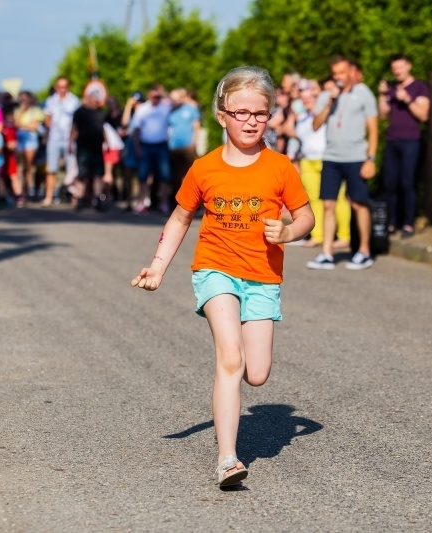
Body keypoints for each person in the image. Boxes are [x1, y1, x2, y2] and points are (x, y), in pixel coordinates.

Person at [130, 66, 314, 487]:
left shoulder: (280, 168)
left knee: (257, 372)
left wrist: (287, 231)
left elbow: (307, 217)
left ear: (270, 116)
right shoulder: (204, 169)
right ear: (221, 113)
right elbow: (180, 218)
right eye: (241, 112)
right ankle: (228, 459)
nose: (250, 121)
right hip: (215, 270)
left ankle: (231, 434)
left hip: (263, 277)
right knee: (230, 358)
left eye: (260, 114)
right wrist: (158, 266)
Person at [306, 55, 378, 270]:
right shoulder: (327, 96)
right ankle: (327, 253)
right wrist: (329, 103)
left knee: (358, 203)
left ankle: (364, 251)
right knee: (328, 203)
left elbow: (373, 128)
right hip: (331, 157)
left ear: (351, 72)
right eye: (335, 73)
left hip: (356, 157)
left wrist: (371, 159)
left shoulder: (363, 93)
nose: (338, 77)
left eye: (342, 72)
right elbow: (316, 124)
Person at [283, 79, 351, 248]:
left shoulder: (327, 113)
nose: (307, 101)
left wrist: (316, 90)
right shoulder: (303, 117)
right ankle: (318, 235)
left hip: (328, 158)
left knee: (338, 198)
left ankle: (344, 236)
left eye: (310, 99)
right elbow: (288, 130)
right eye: (304, 99)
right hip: (308, 160)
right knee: (313, 199)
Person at [378, 54, 430, 237]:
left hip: (410, 140)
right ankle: (391, 223)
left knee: (407, 182)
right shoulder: (392, 88)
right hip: (392, 140)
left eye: (400, 67)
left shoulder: (419, 87)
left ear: (409, 66)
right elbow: (383, 114)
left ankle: (408, 223)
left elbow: (424, 115)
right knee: (390, 183)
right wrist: (383, 95)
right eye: (394, 68)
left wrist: (407, 99)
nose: (397, 71)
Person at [131, 84, 173, 214]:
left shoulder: (165, 107)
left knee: (164, 176)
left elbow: (176, 102)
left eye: (158, 96)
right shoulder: (142, 109)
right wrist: (137, 147)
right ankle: (141, 202)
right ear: (149, 95)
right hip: (146, 145)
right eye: (154, 96)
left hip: (161, 145)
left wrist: (163, 92)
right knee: (143, 176)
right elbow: (137, 130)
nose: (157, 98)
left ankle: (163, 203)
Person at [43, 77, 80, 207]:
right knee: (51, 169)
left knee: (72, 169)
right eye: (59, 87)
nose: (61, 89)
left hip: (69, 139)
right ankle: (49, 197)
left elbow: (77, 121)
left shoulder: (74, 101)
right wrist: (48, 134)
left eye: (64, 87)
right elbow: (47, 119)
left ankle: (75, 197)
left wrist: (73, 136)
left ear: (68, 87)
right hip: (54, 138)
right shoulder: (51, 101)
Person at [70, 87, 106, 210]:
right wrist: (70, 143)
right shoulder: (80, 112)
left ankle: (98, 199)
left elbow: (103, 129)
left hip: (97, 148)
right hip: (83, 147)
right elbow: (74, 129)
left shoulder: (100, 113)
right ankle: (80, 197)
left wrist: (106, 143)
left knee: (98, 174)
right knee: (82, 174)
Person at [14, 91, 44, 200]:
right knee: (18, 167)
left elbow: (33, 126)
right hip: (18, 138)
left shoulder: (37, 111)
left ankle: (26, 190)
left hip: (30, 139)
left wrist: (22, 126)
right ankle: (19, 191)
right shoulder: (17, 111)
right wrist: (22, 112)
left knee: (28, 167)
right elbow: (15, 123)